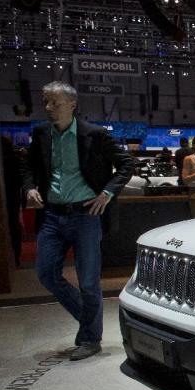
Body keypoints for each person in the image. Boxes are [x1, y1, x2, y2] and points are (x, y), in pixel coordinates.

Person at [20, 81, 134, 360]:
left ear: (72, 104)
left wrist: (107, 193)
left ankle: (90, 339)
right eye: (45, 102)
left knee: (89, 281)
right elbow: (28, 167)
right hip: (52, 216)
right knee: (46, 273)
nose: (48, 108)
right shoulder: (41, 133)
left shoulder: (94, 135)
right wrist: (30, 187)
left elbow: (127, 164)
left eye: (54, 103)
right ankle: (89, 318)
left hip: (86, 216)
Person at [1, 135, 23, 267]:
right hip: (13, 198)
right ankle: (16, 258)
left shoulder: (9, 161)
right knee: (14, 227)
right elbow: (19, 182)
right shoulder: (14, 160)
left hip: (9, 198)